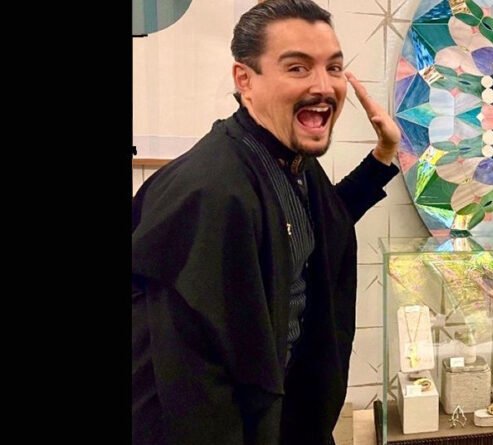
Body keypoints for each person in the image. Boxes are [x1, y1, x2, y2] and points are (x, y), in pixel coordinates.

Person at [131, 0, 402, 443]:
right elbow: (191, 385)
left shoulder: (287, 160)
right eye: (298, 68)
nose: (323, 86)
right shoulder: (208, 192)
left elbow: (316, 229)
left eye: (334, 68)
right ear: (245, 80)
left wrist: (383, 155)